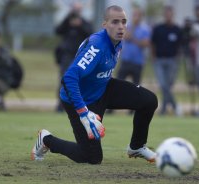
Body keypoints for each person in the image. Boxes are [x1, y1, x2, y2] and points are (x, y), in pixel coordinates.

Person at [31, 5, 158, 164]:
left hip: (103, 87)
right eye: (115, 22)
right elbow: (69, 77)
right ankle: (46, 140)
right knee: (92, 158)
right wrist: (83, 112)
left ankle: (137, 147)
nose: (121, 26)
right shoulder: (97, 46)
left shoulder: (117, 41)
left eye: (124, 22)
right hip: (81, 100)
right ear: (104, 25)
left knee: (149, 101)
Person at [106, 6, 151, 114]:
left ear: (141, 17)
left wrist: (133, 38)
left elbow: (145, 43)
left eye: (137, 15)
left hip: (138, 62)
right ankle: (111, 108)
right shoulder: (127, 27)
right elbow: (122, 36)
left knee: (135, 88)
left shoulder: (145, 29)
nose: (135, 17)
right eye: (134, 15)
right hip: (126, 61)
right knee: (117, 86)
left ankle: (133, 110)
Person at [54, 1, 93, 112]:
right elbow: (57, 31)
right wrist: (68, 18)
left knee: (80, 82)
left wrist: (80, 25)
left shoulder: (84, 23)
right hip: (66, 56)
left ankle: (79, 106)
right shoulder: (67, 23)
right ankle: (61, 105)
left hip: (79, 57)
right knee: (64, 80)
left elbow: (90, 32)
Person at [151, 5, 182, 116]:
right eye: (166, 13)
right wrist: (153, 56)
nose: (168, 15)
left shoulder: (177, 29)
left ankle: (164, 109)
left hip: (172, 61)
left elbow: (180, 46)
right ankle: (175, 106)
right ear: (164, 15)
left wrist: (177, 58)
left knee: (167, 86)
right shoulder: (158, 28)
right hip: (159, 60)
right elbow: (152, 43)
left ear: (173, 15)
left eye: (170, 13)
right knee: (163, 85)